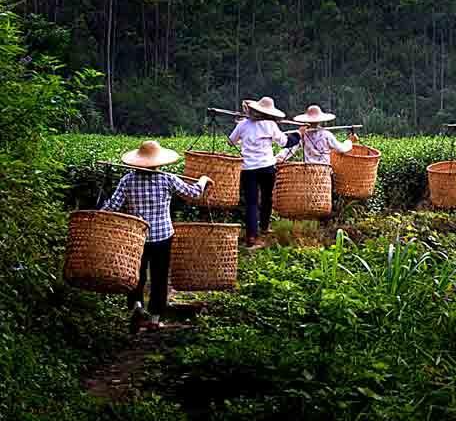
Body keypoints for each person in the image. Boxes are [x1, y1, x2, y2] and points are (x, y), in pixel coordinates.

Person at [101, 140, 212, 333]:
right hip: (162, 237)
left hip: (136, 237)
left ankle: (137, 306)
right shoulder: (167, 179)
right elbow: (193, 194)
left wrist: (98, 216)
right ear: (158, 162)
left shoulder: (128, 180)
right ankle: (154, 319)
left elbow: (113, 206)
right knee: (159, 277)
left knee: (136, 275)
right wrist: (202, 180)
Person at [229, 96, 298, 247]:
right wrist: (298, 135)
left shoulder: (243, 124)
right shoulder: (270, 125)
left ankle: (251, 236)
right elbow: (285, 142)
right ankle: (264, 227)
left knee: (251, 203)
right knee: (267, 198)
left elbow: (231, 141)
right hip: (267, 167)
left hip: (248, 169)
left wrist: (243, 135)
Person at [276, 105, 355, 165]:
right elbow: (341, 148)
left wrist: (278, 158)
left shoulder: (303, 134)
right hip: (323, 171)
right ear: (320, 121)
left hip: (309, 171)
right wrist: (349, 141)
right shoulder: (326, 134)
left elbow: (291, 149)